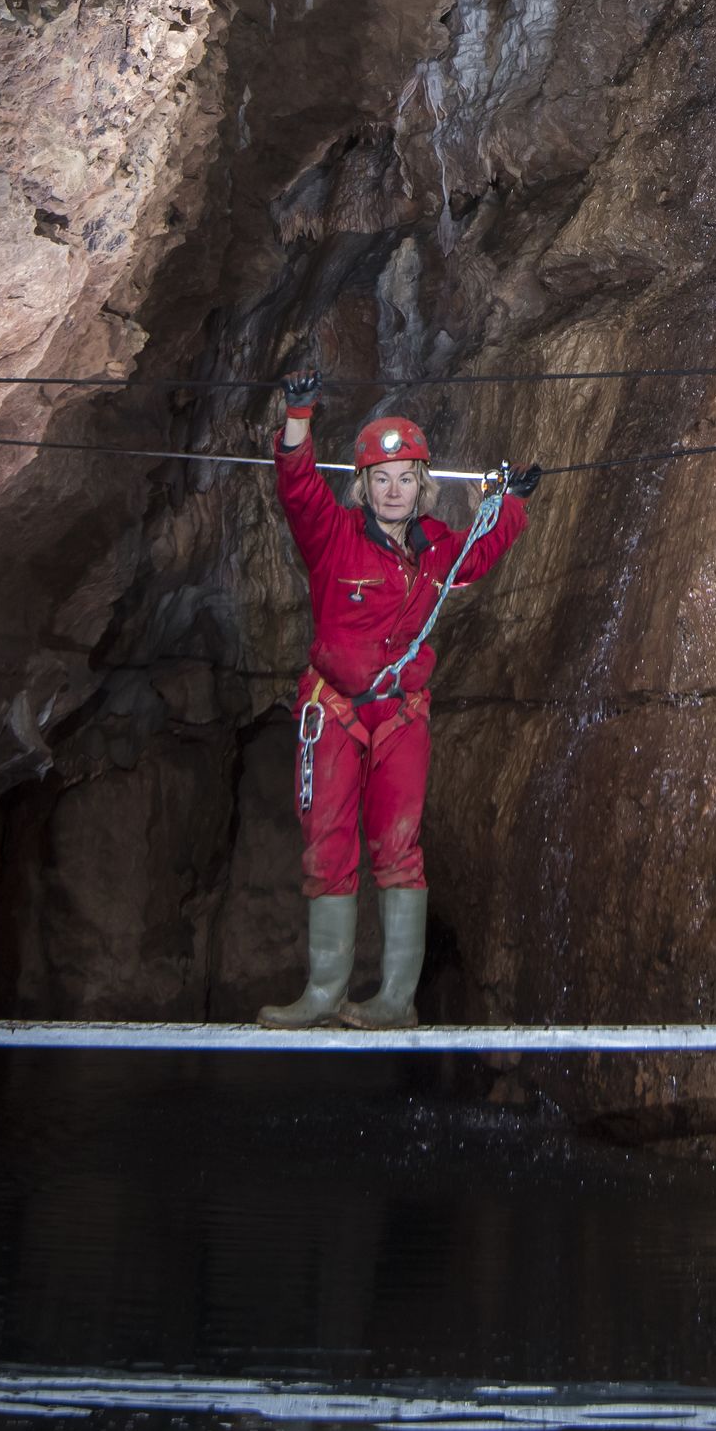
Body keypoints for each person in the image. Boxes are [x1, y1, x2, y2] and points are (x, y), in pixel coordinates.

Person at [259, 378, 532, 1029]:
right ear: (362, 485)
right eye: (380, 479)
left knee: (399, 847)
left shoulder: (436, 549)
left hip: (401, 716)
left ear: (421, 484)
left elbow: (480, 553)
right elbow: (298, 489)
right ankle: (324, 993)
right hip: (335, 711)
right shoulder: (333, 536)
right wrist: (298, 417)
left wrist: (513, 502)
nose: (392, 491)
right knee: (327, 845)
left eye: (404, 479)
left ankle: (394, 1001)